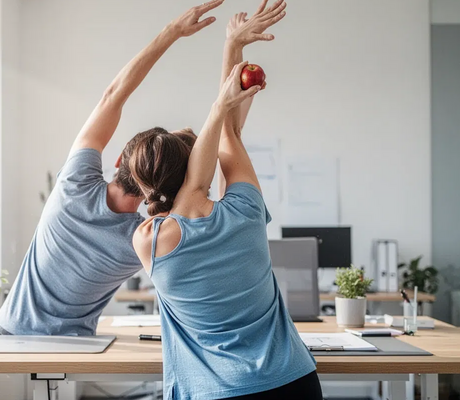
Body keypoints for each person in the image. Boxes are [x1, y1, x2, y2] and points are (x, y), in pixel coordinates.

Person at [129, 1, 323, 398]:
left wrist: (226, 91)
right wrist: (231, 50)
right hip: (294, 383)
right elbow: (229, 140)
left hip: (216, 392)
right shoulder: (246, 210)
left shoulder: (151, 240)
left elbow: (205, 171)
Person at [0, 1, 223, 336]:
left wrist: (172, 31)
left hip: (10, 331)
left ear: (118, 161)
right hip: (71, 350)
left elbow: (112, 96)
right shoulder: (142, 239)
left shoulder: (75, 184)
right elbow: (195, 194)